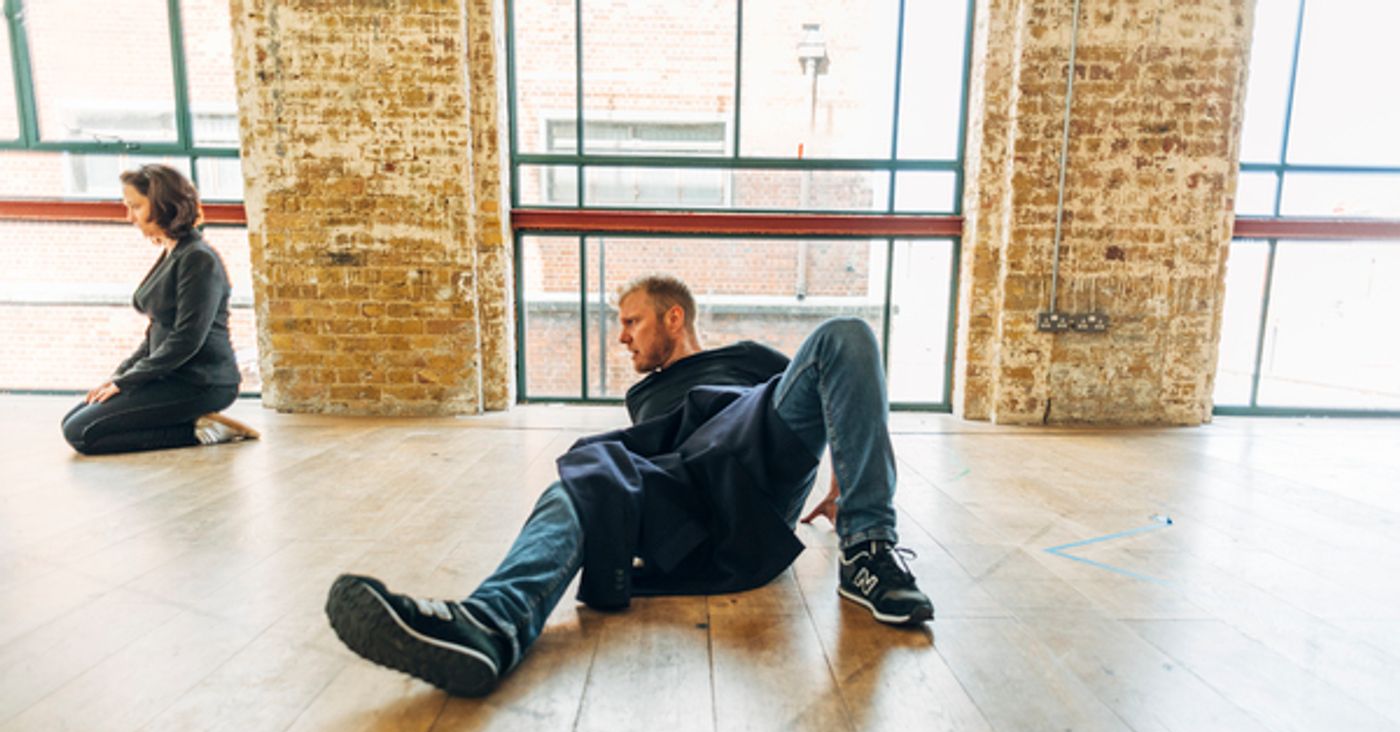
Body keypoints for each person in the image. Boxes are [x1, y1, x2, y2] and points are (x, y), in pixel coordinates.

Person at [325, 274, 932, 697]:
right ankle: (490, 625)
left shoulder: (749, 358)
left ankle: (868, 553)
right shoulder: (645, 395)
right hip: (688, 477)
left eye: (631, 322)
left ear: (674, 318)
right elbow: (652, 466)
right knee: (585, 476)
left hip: (761, 448)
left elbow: (838, 390)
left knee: (847, 332)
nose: (622, 338)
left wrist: (842, 482)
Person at [60, 164, 259, 456]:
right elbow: (156, 331)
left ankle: (201, 430)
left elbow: (187, 338)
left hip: (202, 381)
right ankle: (195, 424)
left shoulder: (198, 259)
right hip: (170, 375)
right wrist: (119, 377)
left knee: (82, 434)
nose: (129, 217)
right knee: (74, 419)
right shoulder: (173, 251)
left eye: (136, 207)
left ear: (164, 205)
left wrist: (128, 381)